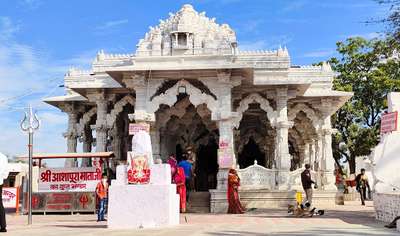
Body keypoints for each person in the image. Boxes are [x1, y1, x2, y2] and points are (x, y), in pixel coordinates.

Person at [0, 153, 9, 233]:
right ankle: (3, 226)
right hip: (0, 182)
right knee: (0, 204)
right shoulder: (3, 156)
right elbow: (6, 172)